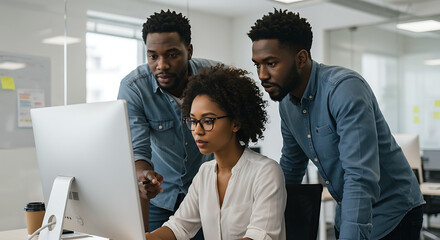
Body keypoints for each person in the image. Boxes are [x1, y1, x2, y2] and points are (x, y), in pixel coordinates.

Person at [248, 9, 424, 240]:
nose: (262, 75)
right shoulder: (287, 104)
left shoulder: (344, 89)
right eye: (257, 65)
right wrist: (264, 221)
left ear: (301, 58)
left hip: (395, 211)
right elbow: (291, 167)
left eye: (271, 63)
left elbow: (360, 175)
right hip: (349, 208)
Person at [145, 65, 287, 240]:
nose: (197, 130)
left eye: (208, 120)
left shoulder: (266, 172)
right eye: (193, 121)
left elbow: (259, 236)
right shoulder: (205, 173)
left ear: (235, 123)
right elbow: (179, 227)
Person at [117, 10, 219, 236]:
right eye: (153, 56)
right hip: (161, 199)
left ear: (189, 50)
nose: (161, 65)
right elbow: (137, 151)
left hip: (209, 198)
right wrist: (145, 176)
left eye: (172, 55)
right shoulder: (134, 88)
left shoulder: (214, 77)